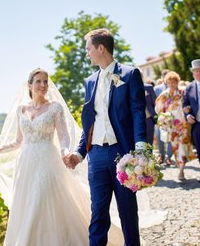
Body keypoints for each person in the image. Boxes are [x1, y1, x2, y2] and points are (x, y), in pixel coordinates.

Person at [0, 68, 90, 245]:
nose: (43, 85)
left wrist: (65, 151)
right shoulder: (21, 110)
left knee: (41, 199)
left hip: (47, 161)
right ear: (30, 85)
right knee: (26, 204)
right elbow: (18, 141)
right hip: (26, 163)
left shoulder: (55, 108)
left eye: (45, 81)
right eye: (38, 81)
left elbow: (63, 136)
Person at [63, 28, 147, 246]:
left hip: (122, 154)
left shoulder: (130, 74)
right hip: (97, 156)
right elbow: (89, 123)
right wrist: (80, 153)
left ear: (101, 48)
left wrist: (140, 150)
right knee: (98, 213)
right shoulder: (90, 81)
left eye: (88, 48)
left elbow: (138, 113)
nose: (87, 53)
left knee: (127, 212)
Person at [155, 71, 196, 181]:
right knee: (177, 149)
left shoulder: (182, 93)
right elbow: (158, 110)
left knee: (184, 148)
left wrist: (188, 109)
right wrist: (164, 117)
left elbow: (188, 104)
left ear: (177, 82)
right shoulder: (164, 95)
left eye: (174, 82)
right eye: (169, 82)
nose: (172, 84)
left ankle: (181, 170)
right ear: (166, 82)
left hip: (182, 125)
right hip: (171, 127)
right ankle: (181, 171)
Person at [154, 70, 173, 165]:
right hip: (160, 118)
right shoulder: (156, 89)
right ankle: (161, 156)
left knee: (170, 138)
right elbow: (154, 103)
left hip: (171, 118)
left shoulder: (174, 88)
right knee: (159, 137)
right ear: (162, 78)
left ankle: (169, 157)